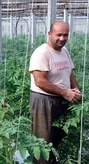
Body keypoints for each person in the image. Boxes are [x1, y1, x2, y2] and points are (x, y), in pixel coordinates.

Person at [29, 21, 82, 164]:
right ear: (49, 34)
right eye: (59, 35)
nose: (62, 38)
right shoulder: (42, 53)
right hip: (44, 101)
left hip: (61, 99)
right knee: (43, 142)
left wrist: (75, 88)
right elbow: (40, 81)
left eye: (65, 35)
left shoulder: (64, 51)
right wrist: (65, 92)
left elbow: (69, 72)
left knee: (57, 139)